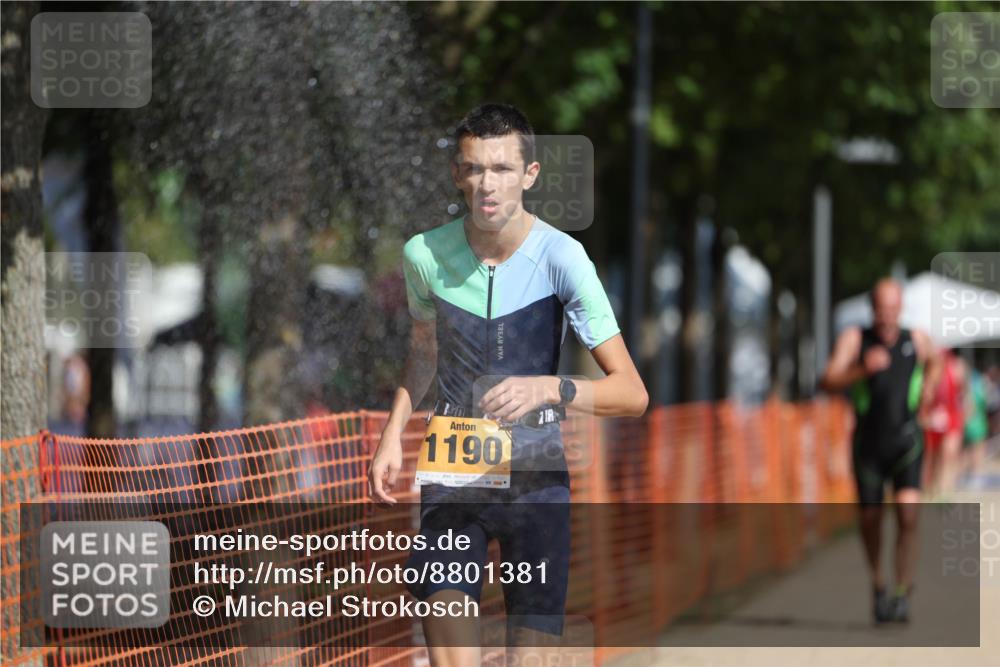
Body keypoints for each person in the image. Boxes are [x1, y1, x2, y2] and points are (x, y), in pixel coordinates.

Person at [368, 103, 648, 666]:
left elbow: (632, 394)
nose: (486, 185)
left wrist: (552, 388)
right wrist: (392, 433)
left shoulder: (563, 257)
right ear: (457, 175)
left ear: (530, 175)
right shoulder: (424, 254)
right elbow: (423, 351)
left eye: (501, 169)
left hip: (536, 484)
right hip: (453, 480)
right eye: (474, 169)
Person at [820, 278, 939, 624]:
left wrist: (928, 389)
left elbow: (935, 362)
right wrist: (861, 368)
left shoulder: (915, 338)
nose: (887, 316)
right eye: (881, 309)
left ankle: (903, 592)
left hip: (907, 442)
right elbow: (827, 380)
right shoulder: (856, 339)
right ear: (872, 309)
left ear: (900, 308)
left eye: (892, 309)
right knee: (870, 520)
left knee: (908, 515)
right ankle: (878, 585)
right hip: (868, 446)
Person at [922, 349, 966, 496]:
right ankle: (930, 492)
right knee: (931, 459)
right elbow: (925, 396)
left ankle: (945, 491)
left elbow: (964, 394)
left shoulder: (957, 366)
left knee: (948, 454)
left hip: (951, 416)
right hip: (932, 418)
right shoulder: (928, 367)